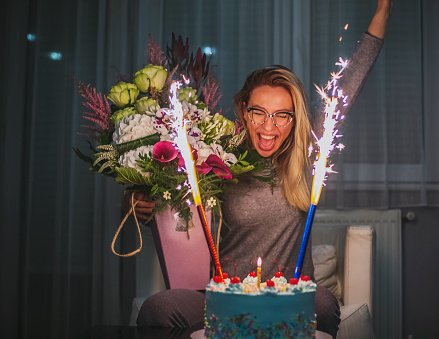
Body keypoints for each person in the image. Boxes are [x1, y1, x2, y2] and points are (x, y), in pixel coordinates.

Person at [131, 1, 392, 337]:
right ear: (243, 109)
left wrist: (383, 10)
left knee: (325, 304)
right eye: (259, 112)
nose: (269, 126)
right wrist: (135, 202)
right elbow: (161, 180)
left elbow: (351, 80)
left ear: (294, 119)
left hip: (290, 296)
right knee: (157, 309)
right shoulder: (220, 153)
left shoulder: (307, 148)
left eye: (281, 114)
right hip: (226, 295)